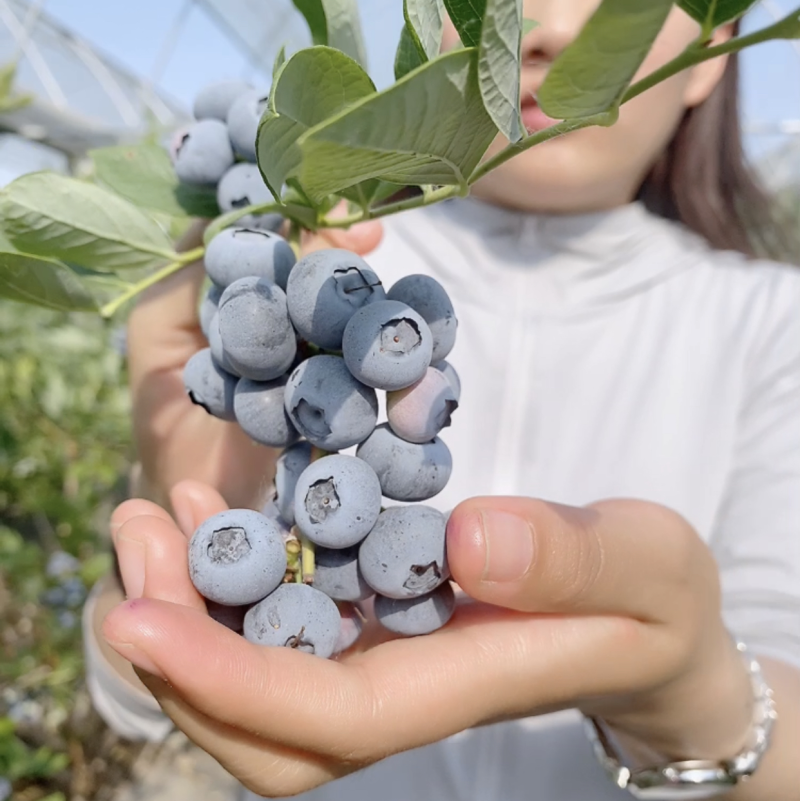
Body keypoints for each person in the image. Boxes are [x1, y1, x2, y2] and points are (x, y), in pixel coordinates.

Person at [84, 3, 800, 800]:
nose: (551, 29)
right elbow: (125, 695)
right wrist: (181, 491)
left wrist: (692, 693)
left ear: (710, 52)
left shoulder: (777, 323)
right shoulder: (323, 272)